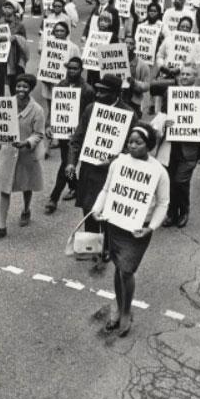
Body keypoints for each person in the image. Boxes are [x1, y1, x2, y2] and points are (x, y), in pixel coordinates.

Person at [91, 124, 170, 337]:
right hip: (116, 223)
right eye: (130, 142)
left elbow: (163, 204)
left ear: (149, 146)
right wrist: (97, 209)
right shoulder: (118, 163)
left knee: (127, 270)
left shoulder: (159, 171)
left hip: (137, 229)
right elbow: (107, 189)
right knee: (118, 267)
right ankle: (119, 306)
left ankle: (126, 311)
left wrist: (151, 227)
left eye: (138, 143)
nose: (133, 146)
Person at [66, 73, 138, 272]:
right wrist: (71, 164)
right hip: (89, 169)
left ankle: (107, 246)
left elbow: (134, 146)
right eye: (97, 90)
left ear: (116, 94)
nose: (97, 94)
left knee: (107, 212)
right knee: (89, 208)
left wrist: (115, 159)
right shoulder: (90, 110)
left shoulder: (130, 115)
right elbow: (76, 139)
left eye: (103, 92)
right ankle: (93, 245)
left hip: (112, 173)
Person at [149, 65, 200, 228]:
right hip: (170, 147)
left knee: (181, 182)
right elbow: (161, 118)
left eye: (188, 74)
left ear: (195, 78)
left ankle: (184, 211)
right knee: (169, 182)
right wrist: (165, 124)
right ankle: (171, 213)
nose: (184, 77)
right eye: (182, 74)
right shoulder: (169, 94)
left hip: (189, 148)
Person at [0, 73, 46, 241]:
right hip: (8, 152)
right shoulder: (7, 105)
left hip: (26, 154)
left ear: (31, 89)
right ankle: (1, 226)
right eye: (18, 86)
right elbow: (0, 129)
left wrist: (27, 143)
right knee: (5, 189)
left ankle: (26, 209)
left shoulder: (37, 110)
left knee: (26, 186)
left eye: (25, 87)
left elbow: (39, 133)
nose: (21, 89)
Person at [44, 57, 96, 214]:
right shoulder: (61, 85)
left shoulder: (87, 90)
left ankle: (53, 198)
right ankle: (75, 186)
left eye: (75, 68)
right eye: (70, 68)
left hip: (77, 134)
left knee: (66, 163)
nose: (72, 71)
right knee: (65, 160)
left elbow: (90, 113)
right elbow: (55, 107)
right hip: (62, 131)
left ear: (81, 70)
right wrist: (49, 124)